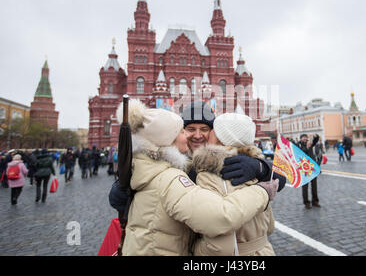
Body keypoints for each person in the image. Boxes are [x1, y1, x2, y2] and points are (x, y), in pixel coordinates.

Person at [116, 99, 278, 256]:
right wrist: (121, 189)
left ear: (214, 132)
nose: (197, 135)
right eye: (189, 129)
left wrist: (261, 167)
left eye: (204, 129)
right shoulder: (167, 165)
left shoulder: (233, 160)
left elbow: (277, 180)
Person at [192, 113, 280, 256]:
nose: (208, 134)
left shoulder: (209, 173)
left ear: (221, 138)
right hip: (265, 250)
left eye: (213, 129)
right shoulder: (258, 169)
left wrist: (195, 250)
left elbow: (217, 241)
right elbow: (269, 227)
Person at [298, 134, 320, 209]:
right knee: (305, 187)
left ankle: (315, 201)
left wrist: (316, 136)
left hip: (312, 168)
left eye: (306, 137)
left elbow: (315, 141)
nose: (305, 138)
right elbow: (301, 153)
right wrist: (307, 147)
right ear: (301, 139)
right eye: (303, 137)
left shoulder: (309, 143)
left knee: (314, 186)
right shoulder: (299, 145)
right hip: (304, 169)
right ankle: (306, 202)